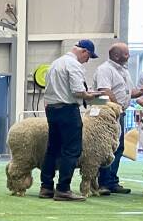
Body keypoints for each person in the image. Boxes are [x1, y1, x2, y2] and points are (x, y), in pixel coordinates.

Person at [39, 40, 105, 202]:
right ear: (84, 52)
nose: (87, 61)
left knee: (52, 148)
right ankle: (63, 189)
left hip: (52, 109)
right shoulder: (74, 65)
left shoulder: (55, 64)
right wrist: (94, 95)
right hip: (68, 110)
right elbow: (77, 92)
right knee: (71, 150)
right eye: (88, 57)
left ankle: (46, 186)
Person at [92, 43, 143, 195]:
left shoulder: (123, 71)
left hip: (118, 114)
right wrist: (117, 108)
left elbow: (128, 92)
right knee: (106, 148)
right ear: (116, 56)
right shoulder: (105, 69)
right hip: (107, 115)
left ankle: (111, 181)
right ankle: (102, 182)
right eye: (126, 54)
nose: (128, 56)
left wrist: (142, 92)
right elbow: (105, 91)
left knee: (118, 148)